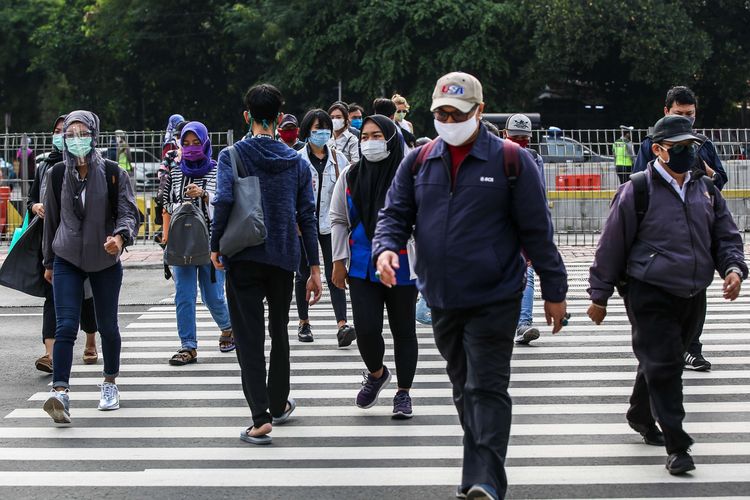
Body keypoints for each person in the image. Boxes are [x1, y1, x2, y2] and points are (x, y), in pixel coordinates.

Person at [372, 72, 568, 500]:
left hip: (496, 295)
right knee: (464, 388)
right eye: (440, 113)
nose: (447, 120)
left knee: (486, 387)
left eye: (456, 113)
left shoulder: (512, 161)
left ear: (478, 112)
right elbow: (394, 214)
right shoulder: (419, 159)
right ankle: (476, 473)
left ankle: (486, 482)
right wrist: (385, 250)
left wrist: (555, 291)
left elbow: (538, 232)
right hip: (441, 297)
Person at [587, 114, 746, 475]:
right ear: (659, 150)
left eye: (692, 146)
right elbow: (610, 245)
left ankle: (640, 414)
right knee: (666, 363)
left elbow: (726, 236)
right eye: (680, 147)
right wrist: (599, 296)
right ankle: (678, 444)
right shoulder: (637, 189)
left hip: (692, 292)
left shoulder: (706, 188)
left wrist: (734, 269)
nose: (688, 152)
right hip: (649, 290)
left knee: (663, 357)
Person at [211, 84, 322, 445]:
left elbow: (224, 200)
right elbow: (307, 214)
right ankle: (277, 402)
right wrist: (315, 268)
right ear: (279, 117)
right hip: (284, 257)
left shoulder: (233, 155)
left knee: (249, 337)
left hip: (244, 255)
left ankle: (260, 418)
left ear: (247, 116)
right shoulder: (297, 160)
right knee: (280, 330)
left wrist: (215, 246)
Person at [41, 110, 139, 424]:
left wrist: (121, 239)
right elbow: (51, 222)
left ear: (94, 136)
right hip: (67, 258)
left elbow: (128, 213)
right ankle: (60, 393)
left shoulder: (112, 172)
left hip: (104, 259)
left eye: (81, 134)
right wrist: (48, 261)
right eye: (69, 134)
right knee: (66, 325)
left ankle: (109, 383)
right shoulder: (57, 174)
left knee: (107, 325)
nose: (74, 140)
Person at [632, 85, 727, 372]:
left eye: (690, 115)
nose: (686, 120)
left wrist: (703, 168)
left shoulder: (704, 144)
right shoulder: (651, 144)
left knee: (696, 290)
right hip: (660, 233)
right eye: (679, 114)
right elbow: (636, 184)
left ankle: (691, 346)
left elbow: (720, 181)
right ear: (666, 111)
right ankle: (666, 347)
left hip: (697, 229)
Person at [330, 114, 417, 418]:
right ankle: (377, 374)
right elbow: (338, 219)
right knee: (366, 330)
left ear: (391, 139)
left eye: (377, 136)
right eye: (364, 136)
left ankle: (403, 393)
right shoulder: (350, 176)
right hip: (361, 265)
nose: (369, 142)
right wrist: (338, 261)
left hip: (402, 264)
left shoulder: (408, 177)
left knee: (403, 329)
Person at [28, 115, 100, 373]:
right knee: (53, 296)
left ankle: (91, 341)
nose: (63, 137)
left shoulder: (95, 165)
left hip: (85, 242)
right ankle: (50, 354)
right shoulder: (46, 166)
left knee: (87, 294)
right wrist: (36, 206)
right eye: (59, 132)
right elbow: (31, 198)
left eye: (68, 132)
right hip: (53, 241)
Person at [163, 121, 233, 364]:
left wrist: (204, 195)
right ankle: (188, 346)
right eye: (186, 143)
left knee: (213, 295)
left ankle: (228, 327)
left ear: (205, 144)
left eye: (196, 143)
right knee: (183, 294)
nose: (191, 148)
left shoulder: (217, 169)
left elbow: (223, 202)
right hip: (182, 242)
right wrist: (181, 205)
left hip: (211, 241)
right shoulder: (174, 171)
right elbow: (167, 203)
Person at [296, 109, 356, 346]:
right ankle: (304, 322)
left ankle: (342, 324)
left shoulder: (339, 159)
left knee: (335, 272)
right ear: (307, 132)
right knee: (303, 273)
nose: (321, 133)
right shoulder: (297, 159)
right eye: (316, 129)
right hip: (303, 224)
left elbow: (345, 192)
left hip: (331, 225)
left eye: (325, 129)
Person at [502, 113, 547, 345]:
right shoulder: (495, 156)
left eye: (524, 138)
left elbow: (539, 196)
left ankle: (523, 322)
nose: (521, 142)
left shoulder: (533, 158)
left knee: (525, 271)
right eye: (516, 137)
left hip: (519, 227)